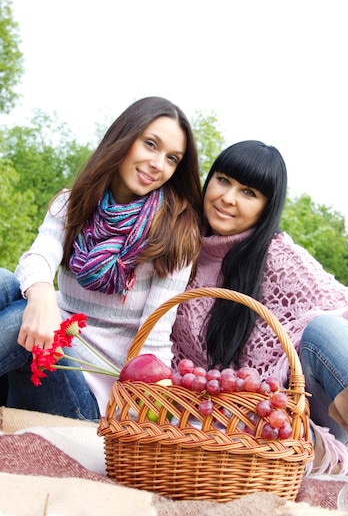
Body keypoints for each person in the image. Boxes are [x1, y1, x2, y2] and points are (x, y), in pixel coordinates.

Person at [170, 139, 348, 481]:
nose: (228, 198)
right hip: (227, 418)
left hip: (302, 413)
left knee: (325, 329)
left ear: (265, 208)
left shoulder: (277, 256)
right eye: (223, 180)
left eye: (249, 192)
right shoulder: (179, 253)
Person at [0, 96, 203, 420]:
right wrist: (41, 296)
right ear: (124, 137)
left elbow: (153, 340)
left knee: (18, 319)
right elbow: (39, 256)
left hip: (91, 402)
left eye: (172, 158)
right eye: (150, 144)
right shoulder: (73, 204)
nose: (158, 164)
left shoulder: (175, 233)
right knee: (5, 281)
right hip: (50, 349)